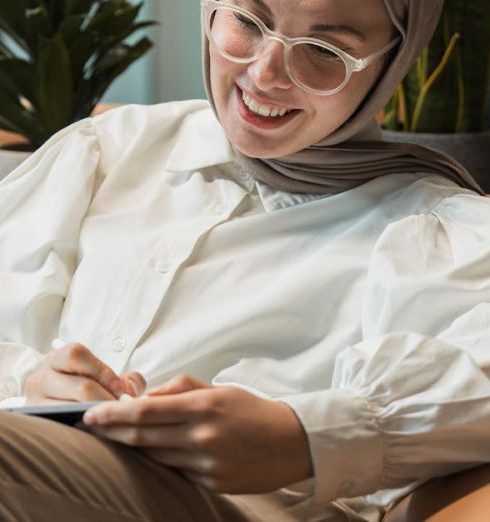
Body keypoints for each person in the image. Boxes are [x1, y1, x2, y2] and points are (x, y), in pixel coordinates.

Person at [1, 0, 490, 520]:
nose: (265, 74)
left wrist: (301, 435)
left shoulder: (440, 231)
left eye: (324, 50)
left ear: (395, 63)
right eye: (247, 22)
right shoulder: (112, 148)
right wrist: (31, 382)